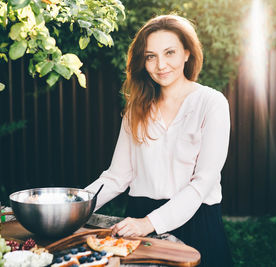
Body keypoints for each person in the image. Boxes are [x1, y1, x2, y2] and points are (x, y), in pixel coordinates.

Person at [85, 14, 233, 267]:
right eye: (151, 56)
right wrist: (72, 208)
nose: (160, 65)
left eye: (170, 53)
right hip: (138, 219)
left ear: (187, 53)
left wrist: (149, 223)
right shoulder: (136, 109)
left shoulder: (211, 103)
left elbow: (204, 182)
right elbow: (116, 177)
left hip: (197, 222)